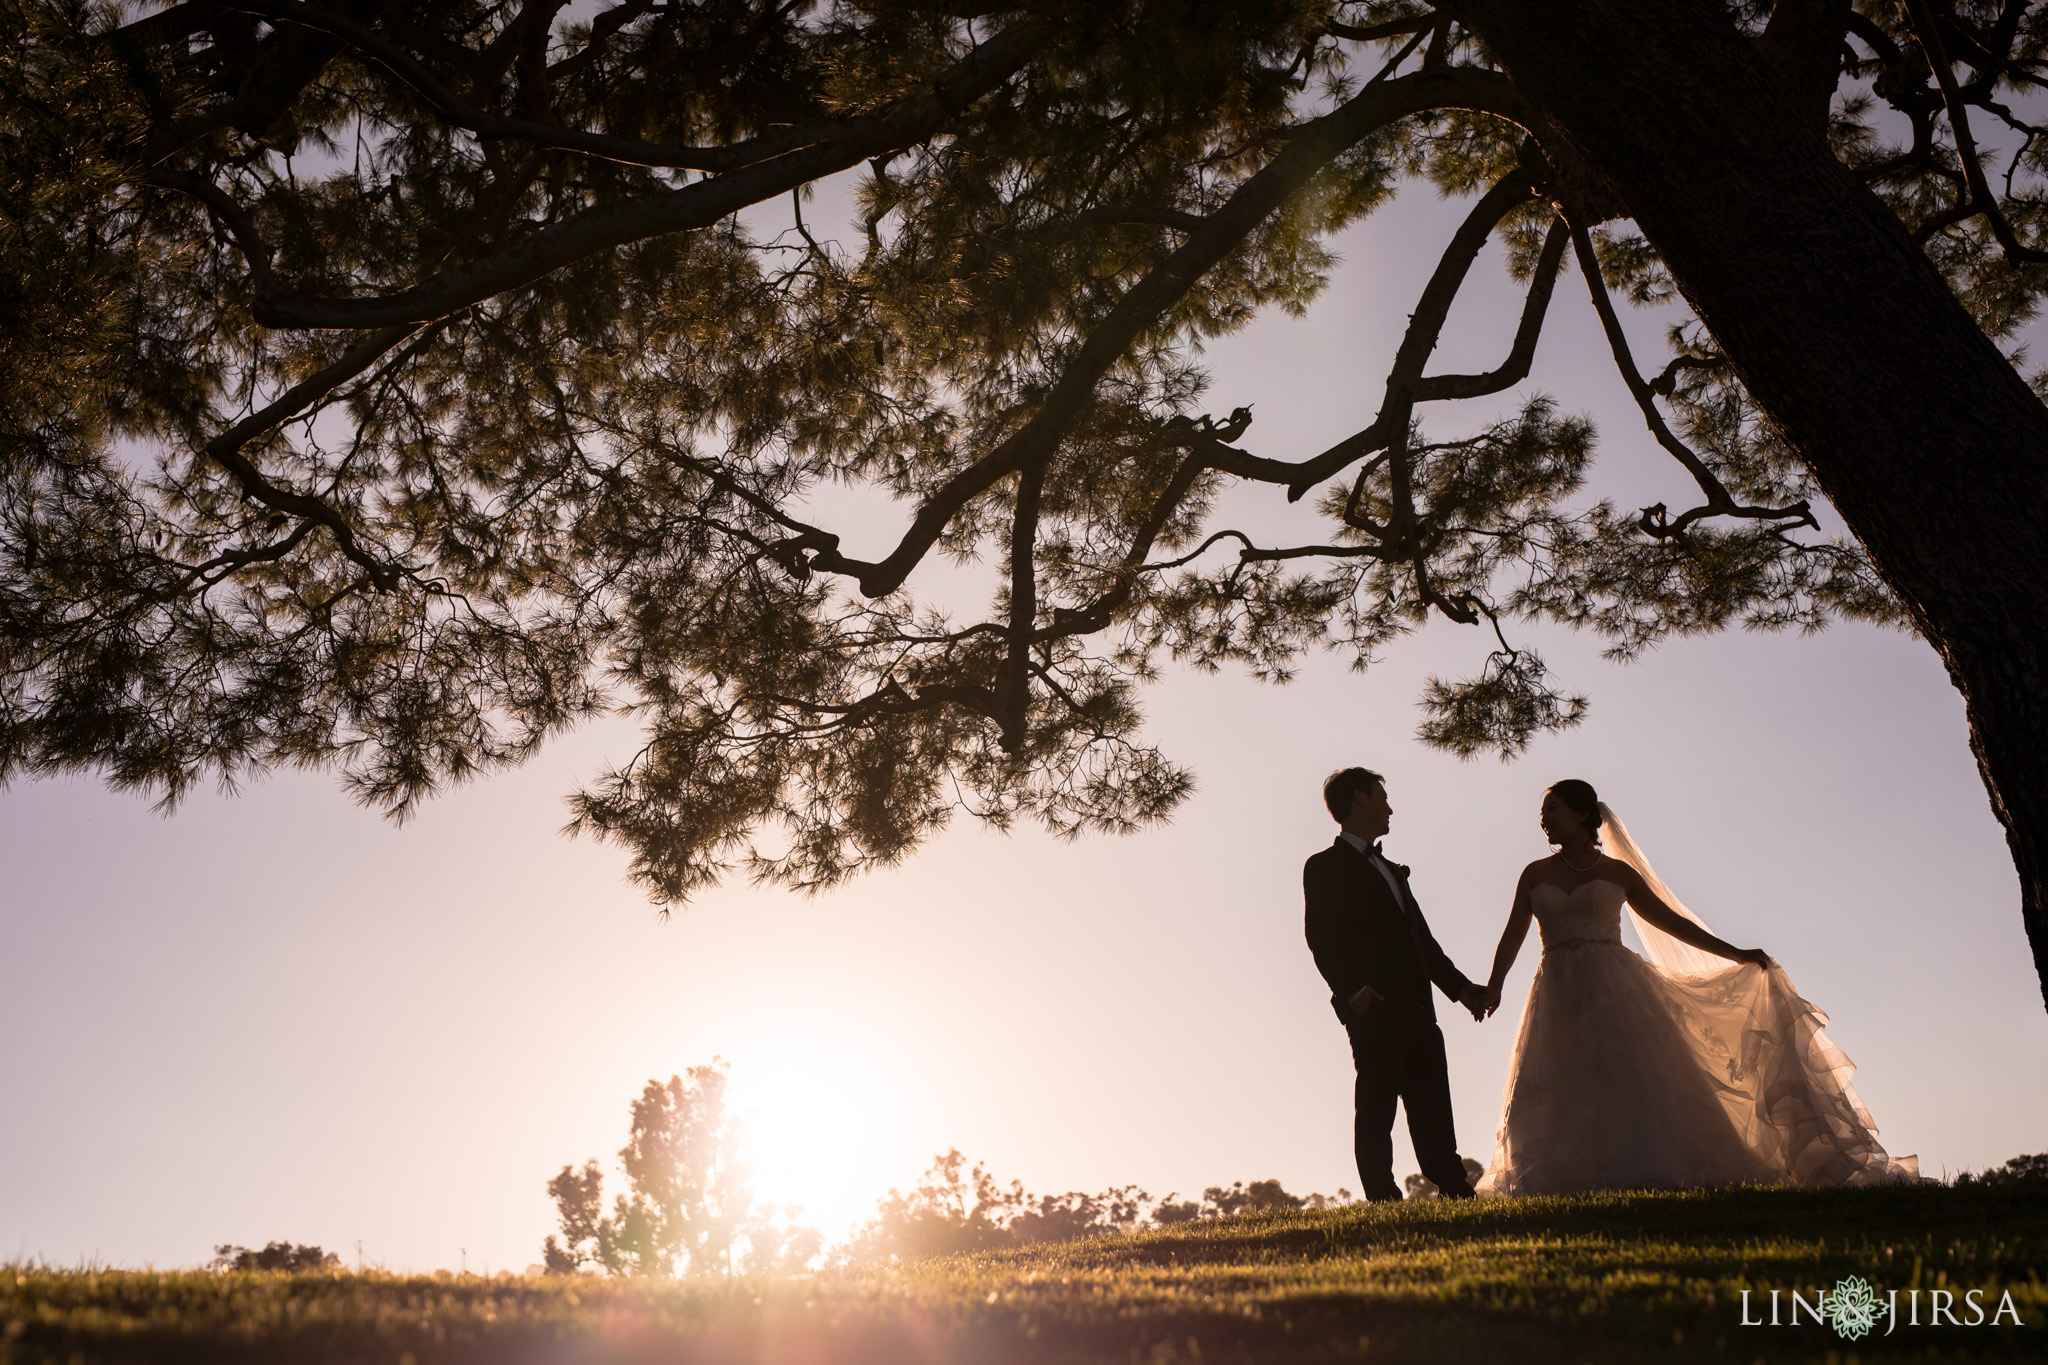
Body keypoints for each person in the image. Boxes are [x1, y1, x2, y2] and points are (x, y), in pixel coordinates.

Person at [1474, 779, 1918, 1194]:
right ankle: (1567, 1171)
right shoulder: (1534, 873)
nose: (1543, 818)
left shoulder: (1619, 875)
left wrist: (1736, 954)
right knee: (1561, 1076)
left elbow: (1673, 924)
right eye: (1542, 811)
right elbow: (1513, 934)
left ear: (1581, 813)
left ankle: (1637, 1164)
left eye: (1550, 808)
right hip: (1556, 991)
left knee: (1626, 1077)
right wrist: (1493, 987)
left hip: (1614, 989)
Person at [1304, 767, 1491, 1202]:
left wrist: (1462, 990)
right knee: (1376, 1104)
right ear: (1361, 799)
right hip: (1373, 1004)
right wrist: (1353, 992)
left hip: (1419, 1005)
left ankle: (1453, 1186)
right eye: (1382, 797)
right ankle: (1382, 1198)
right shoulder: (1324, 866)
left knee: (1432, 1102)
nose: (1390, 807)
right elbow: (1321, 937)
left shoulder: (1391, 868)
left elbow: (1422, 941)